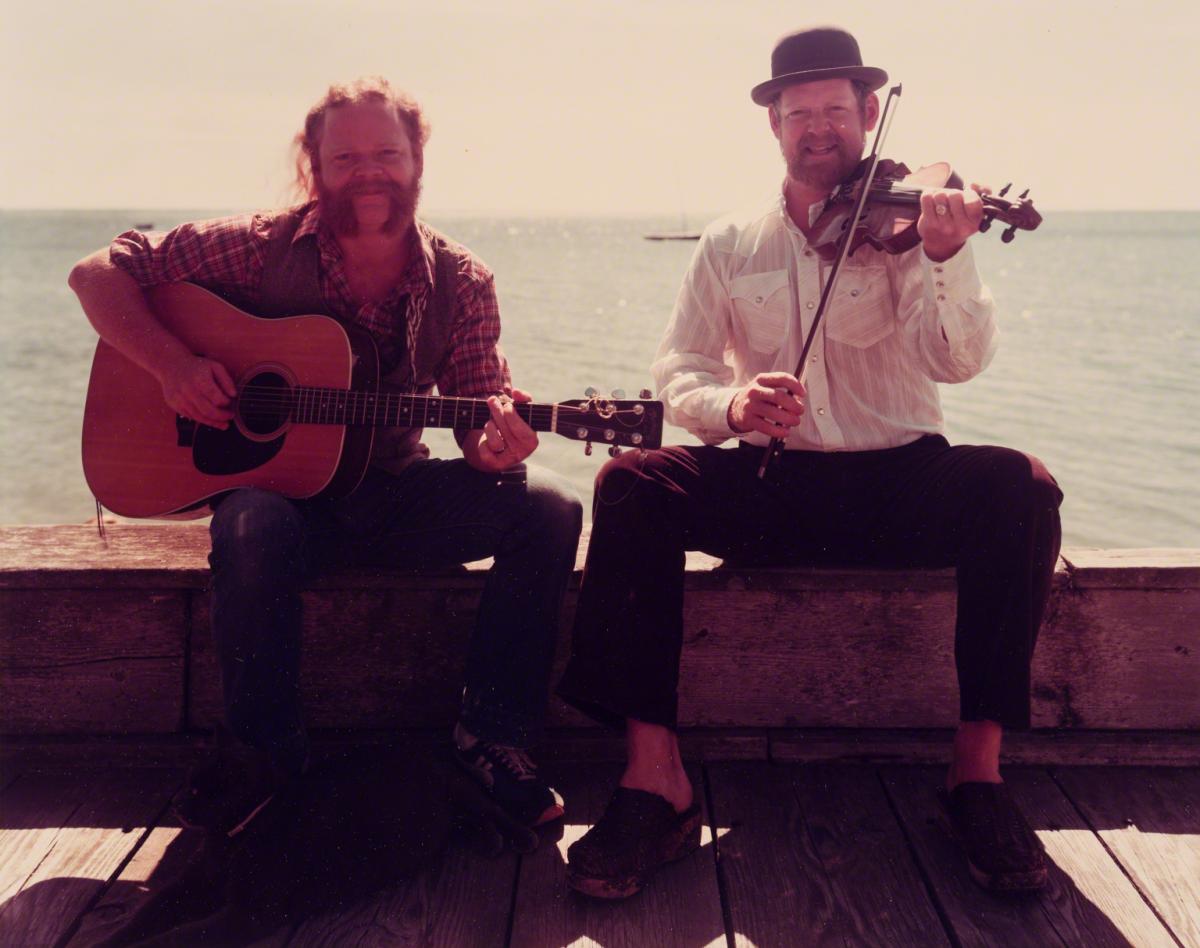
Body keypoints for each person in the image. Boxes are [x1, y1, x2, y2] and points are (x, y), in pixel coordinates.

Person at [557, 27, 1062, 897]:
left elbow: (955, 362)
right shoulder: (730, 241)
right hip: (774, 483)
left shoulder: (912, 226)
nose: (819, 127)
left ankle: (977, 775)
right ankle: (654, 780)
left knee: (1022, 486)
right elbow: (679, 368)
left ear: (867, 114)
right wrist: (733, 407)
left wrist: (948, 254)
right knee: (632, 483)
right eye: (800, 113)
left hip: (899, 481)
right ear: (775, 124)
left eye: (836, 109)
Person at [69, 77, 583, 836]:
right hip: (286, 510)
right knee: (250, 521)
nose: (369, 172)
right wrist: (172, 366)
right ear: (314, 165)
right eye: (346, 158)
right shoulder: (256, 247)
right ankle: (264, 758)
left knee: (550, 506)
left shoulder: (461, 280)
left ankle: (492, 735)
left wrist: (493, 448)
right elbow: (96, 273)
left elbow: (478, 415)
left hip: (397, 497)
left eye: (387, 154)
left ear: (417, 160)